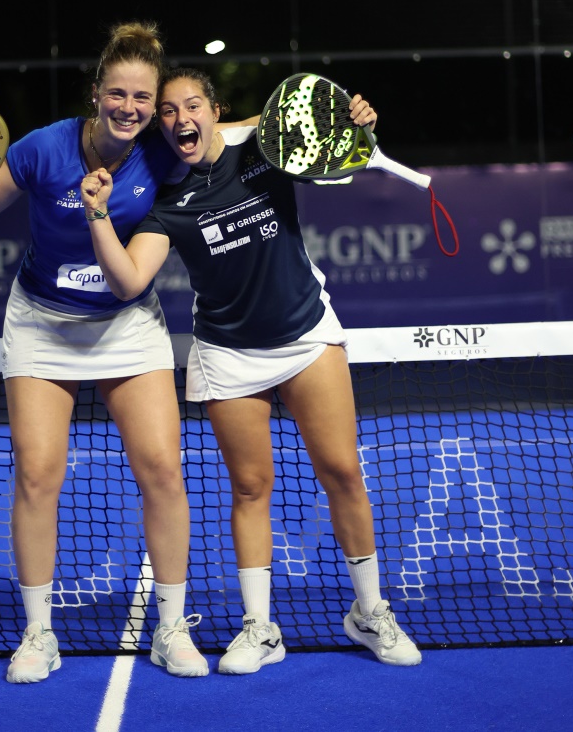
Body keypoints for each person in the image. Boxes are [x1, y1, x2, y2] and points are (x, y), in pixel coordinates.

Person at [0, 25, 252, 683]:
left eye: (142, 97)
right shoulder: (41, 150)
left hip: (125, 327)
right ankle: (38, 634)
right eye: (117, 93)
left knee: (162, 471)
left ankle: (170, 627)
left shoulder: (160, 153)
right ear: (96, 94)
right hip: (40, 324)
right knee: (37, 475)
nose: (130, 107)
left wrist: (315, 113)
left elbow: (241, 128)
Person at [81, 67, 423, 674]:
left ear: (215, 110)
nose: (181, 118)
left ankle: (370, 612)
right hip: (228, 353)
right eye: (168, 110)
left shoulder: (264, 153)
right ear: (162, 124)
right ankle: (260, 628)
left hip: (306, 335)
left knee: (343, 471)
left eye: (193, 105)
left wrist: (358, 121)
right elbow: (129, 279)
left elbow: (325, 144)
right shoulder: (165, 198)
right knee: (249, 487)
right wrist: (100, 216)